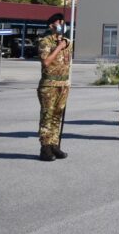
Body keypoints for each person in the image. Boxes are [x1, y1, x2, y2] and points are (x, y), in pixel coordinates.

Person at [36, 13, 72, 161]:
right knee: (48, 116)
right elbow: (46, 62)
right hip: (49, 85)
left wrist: (63, 44)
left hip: (63, 84)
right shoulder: (45, 42)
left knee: (58, 116)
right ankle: (45, 148)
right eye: (59, 23)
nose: (62, 25)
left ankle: (54, 145)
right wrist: (58, 47)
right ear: (51, 26)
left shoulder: (67, 42)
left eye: (63, 22)